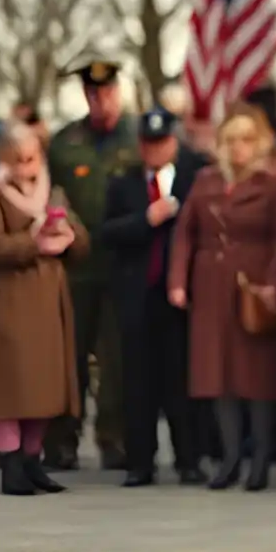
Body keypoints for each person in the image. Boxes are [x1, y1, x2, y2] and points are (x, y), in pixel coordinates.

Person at [167, 103, 276, 491]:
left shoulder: (273, 184)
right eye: (231, 140)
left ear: (258, 144)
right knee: (217, 376)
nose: (238, 147)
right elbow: (184, 232)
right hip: (209, 285)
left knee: (255, 377)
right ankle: (230, 458)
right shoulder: (205, 181)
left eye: (246, 140)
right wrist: (177, 281)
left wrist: (273, 282)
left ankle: (260, 462)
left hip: (251, 288)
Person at [102, 107, 207, 487]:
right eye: (148, 143)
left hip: (180, 297)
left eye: (162, 143)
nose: (155, 150)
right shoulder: (124, 183)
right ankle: (140, 462)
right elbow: (108, 231)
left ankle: (189, 459)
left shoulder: (195, 179)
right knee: (138, 383)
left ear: (174, 143)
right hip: (138, 295)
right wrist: (147, 218)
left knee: (181, 382)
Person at [0, 121, 86, 495]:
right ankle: (10, 462)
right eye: (20, 160)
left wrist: (69, 236)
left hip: (48, 304)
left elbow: (80, 241)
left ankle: (32, 459)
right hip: (9, 301)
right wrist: (33, 243)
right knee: (12, 386)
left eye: (33, 158)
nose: (27, 166)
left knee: (44, 386)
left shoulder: (52, 193)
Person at [44, 59, 138, 471]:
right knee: (69, 356)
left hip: (122, 264)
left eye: (108, 91)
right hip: (76, 268)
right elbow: (49, 196)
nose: (101, 100)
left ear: (119, 91)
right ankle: (63, 439)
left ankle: (113, 438)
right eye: (93, 93)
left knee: (116, 359)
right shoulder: (65, 143)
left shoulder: (137, 138)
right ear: (85, 95)